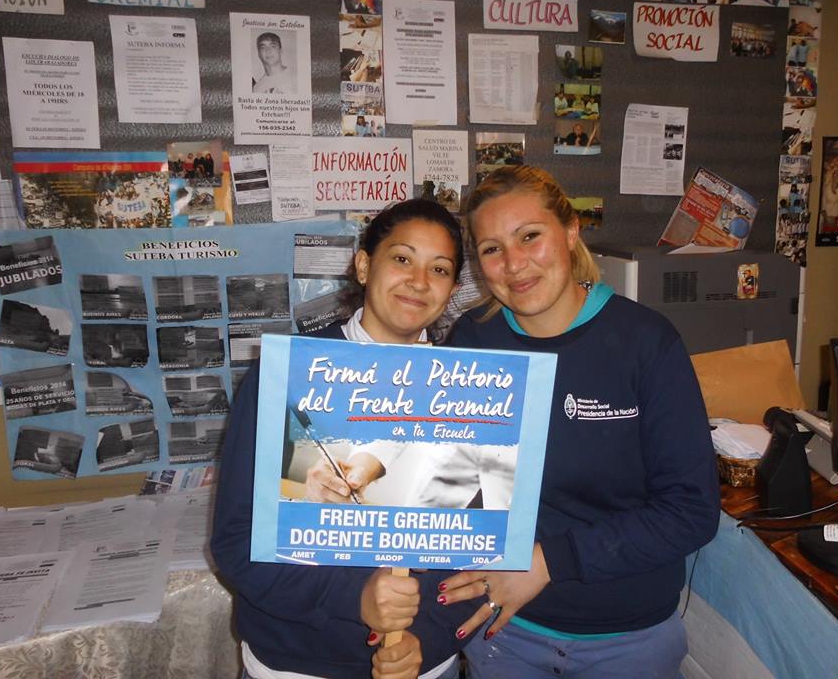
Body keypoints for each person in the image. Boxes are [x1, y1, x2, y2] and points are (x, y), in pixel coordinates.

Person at [435, 166, 720, 678]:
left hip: (627, 636)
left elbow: (692, 511)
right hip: (504, 629)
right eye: (492, 249)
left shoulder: (645, 343)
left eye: (530, 236)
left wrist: (548, 561)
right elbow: (449, 479)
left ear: (570, 231)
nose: (514, 264)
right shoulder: (473, 341)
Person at [212, 199, 480, 679]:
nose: (419, 281)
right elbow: (237, 541)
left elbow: (485, 546)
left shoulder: (475, 390)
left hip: (421, 663)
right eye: (402, 258)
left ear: (454, 290)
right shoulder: (289, 377)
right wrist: (353, 596)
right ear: (363, 265)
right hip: (295, 663)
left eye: (439, 269)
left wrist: (426, 637)